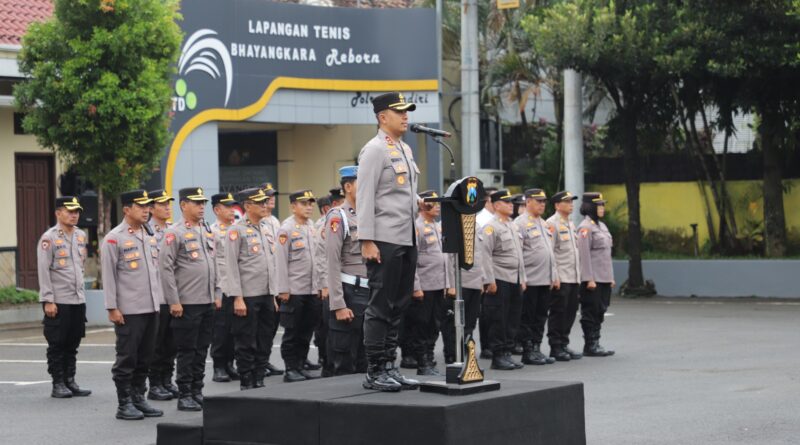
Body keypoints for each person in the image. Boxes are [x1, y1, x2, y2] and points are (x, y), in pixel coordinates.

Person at [357, 92, 421, 392]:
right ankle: (374, 369)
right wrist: (366, 240)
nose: (406, 116)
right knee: (381, 305)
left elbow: (401, 194)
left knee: (399, 304)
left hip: (406, 237)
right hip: (383, 239)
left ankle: (389, 365)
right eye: (400, 112)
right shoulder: (374, 150)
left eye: (407, 111)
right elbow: (365, 196)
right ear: (383, 117)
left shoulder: (405, 149)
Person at [102, 190, 163, 420]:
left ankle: (139, 398)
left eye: (148, 206)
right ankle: (124, 403)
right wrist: (112, 307)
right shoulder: (114, 238)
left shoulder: (148, 234)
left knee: (146, 357)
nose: (147, 210)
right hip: (129, 309)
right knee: (127, 357)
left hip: (151, 307)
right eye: (141, 206)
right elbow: (108, 275)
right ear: (127, 209)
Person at [159, 187, 220, 411]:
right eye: (196, 203)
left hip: (206, 301)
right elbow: (165, 268)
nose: (202, 206)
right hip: (186, 302)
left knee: (202, 349)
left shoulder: (205, 230)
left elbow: (213, 265)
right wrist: (173, 300)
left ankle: (197, 390)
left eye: (203, 202)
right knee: (187, 350)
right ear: (184, 205)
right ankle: (185, 393)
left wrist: (217, 293)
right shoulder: (175, 233)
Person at [37, 196, 92, 399]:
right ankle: (58, 382)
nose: (74, 214)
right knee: (57, 344)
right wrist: (48, 300)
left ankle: (70, 380)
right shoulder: (49, 238)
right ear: (58, 213)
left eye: (76, 211)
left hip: (77, 299)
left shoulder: (80, 235)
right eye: (69, 211)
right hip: (58, 301)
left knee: (73, 342)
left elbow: (80, 266)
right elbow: (43, 271)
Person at [226, 187, 278, 390]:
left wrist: (273, 294)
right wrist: (237, 297)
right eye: (260, 202)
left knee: (265, 338)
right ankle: (247, 380)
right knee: (246, 340)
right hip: (247, 296)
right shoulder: (235, 230)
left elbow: (271, 263)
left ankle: (259, 376)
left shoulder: (267, 227)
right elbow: (231, 266)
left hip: (266, 294)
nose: (265, 205)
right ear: (247, 206)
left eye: (266, 202)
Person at [325, 166, 368, 375]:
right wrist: (338, 304)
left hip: (370, 291)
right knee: (345, 359)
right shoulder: (337, 216)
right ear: (348, 187)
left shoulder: (370, 215)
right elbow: (332, 262)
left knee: (367, 356)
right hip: (350, 291)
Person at [402, 191, 450, 376]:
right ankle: (422, 361)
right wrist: (416, 287)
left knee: (434, 325)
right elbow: (411, 261)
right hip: (424, 286)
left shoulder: (437, 227)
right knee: (421, 326)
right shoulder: (417, 227)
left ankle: (429, 358)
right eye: (433, 203)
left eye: (438, 203)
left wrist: (448, 283)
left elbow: (444, 258)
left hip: (438, 285)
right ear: (422, 205)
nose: (437, 206)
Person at [277, 190, 323, 383]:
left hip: (312, 289)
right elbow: (280, 261)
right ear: (293, 206)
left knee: (306, 330)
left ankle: (301, 363)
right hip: (294, 290)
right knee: (292, 332)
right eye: (304, 203)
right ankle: (290, 368)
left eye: (310, 203)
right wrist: (283, 289)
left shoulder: (312, 227)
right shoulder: (286, 229)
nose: (309, 207)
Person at [481, 190, 527, 371]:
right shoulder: (490, 227)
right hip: (499, 278)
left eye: (511, 202)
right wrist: (489, 280)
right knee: (498, 318)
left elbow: (519, 255)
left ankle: (507, 352)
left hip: (514, 279)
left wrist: (522, 278)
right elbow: (485, 255)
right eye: (506, 202)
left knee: (512, 318)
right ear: (496, 205)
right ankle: (498, 355)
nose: (511, 205)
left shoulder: (512, 226)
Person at [514, 189, 557, 366]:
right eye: (538, 201)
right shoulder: (520, 223)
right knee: (527, 317)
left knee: (541, 316)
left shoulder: (545, 223)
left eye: (544, 201)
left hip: (545, 278)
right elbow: (517, 254)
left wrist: (554, 275)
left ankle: (537, 348)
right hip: (530, 279)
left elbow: (550, 252)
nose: (542, 204)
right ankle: (527, 349)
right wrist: (522, 278)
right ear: (528, 202)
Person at [145, 189, 178, 402]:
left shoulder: (174, 230)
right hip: (156, 295)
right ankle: (155, 383)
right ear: (151, 208)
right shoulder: (146, 231)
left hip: (173, 294)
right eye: (162, 204)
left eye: (169, 203)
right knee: (157, 343)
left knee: (171, 342)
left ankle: (167, 379)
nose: (167, 207)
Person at [577, 192, 616, 357]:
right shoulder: (585, 227)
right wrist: (588, 278)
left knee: (601, 310)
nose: (602, 208)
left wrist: (611, 277)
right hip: (593, 279)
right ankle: (590, 344)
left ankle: (596, 341)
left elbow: (606, 254)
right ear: (590, 206)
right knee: (591, 311)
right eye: (599, 205)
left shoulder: (602, 226)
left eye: (602, 205)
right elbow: (584, 255)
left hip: (604, 277)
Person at [546, 191, 583, 362]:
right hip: (561, 276)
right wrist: (554, 276)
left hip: (573, 276)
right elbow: (550, 253)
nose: (571, 204)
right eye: (567, 201)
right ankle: (556, 346)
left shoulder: (571, 223)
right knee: (558, 313)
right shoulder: (552, 224)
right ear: (557, 205)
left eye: (571, 201)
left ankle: (564, 342)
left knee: (570, 311)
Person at [209, 192, 240, 383]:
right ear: (217, 209)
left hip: (237, 287)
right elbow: (211, 264)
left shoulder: (237, 229)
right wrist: (215, 292)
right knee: (220, 330)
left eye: (232, 206)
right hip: (221, 287)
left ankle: (230, 363)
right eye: (227, 207)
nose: (232, 210)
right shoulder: (212, 232)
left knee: (235, 329)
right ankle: (219, 366)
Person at [258, 182, 285, 378]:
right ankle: (258, 362)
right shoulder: (253, 223)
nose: (271, 199)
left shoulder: (274, 221)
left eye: (272, 195)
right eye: (267, 196)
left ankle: (265, 359)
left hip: (274, 281)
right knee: (257, 330)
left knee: (270, 328)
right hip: (258, 286)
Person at [310, 195, 331, 373]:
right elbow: (321, 259)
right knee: (324, 326)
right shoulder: (322, 226)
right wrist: (323, 285)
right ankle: (325, 358)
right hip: (324, 285)